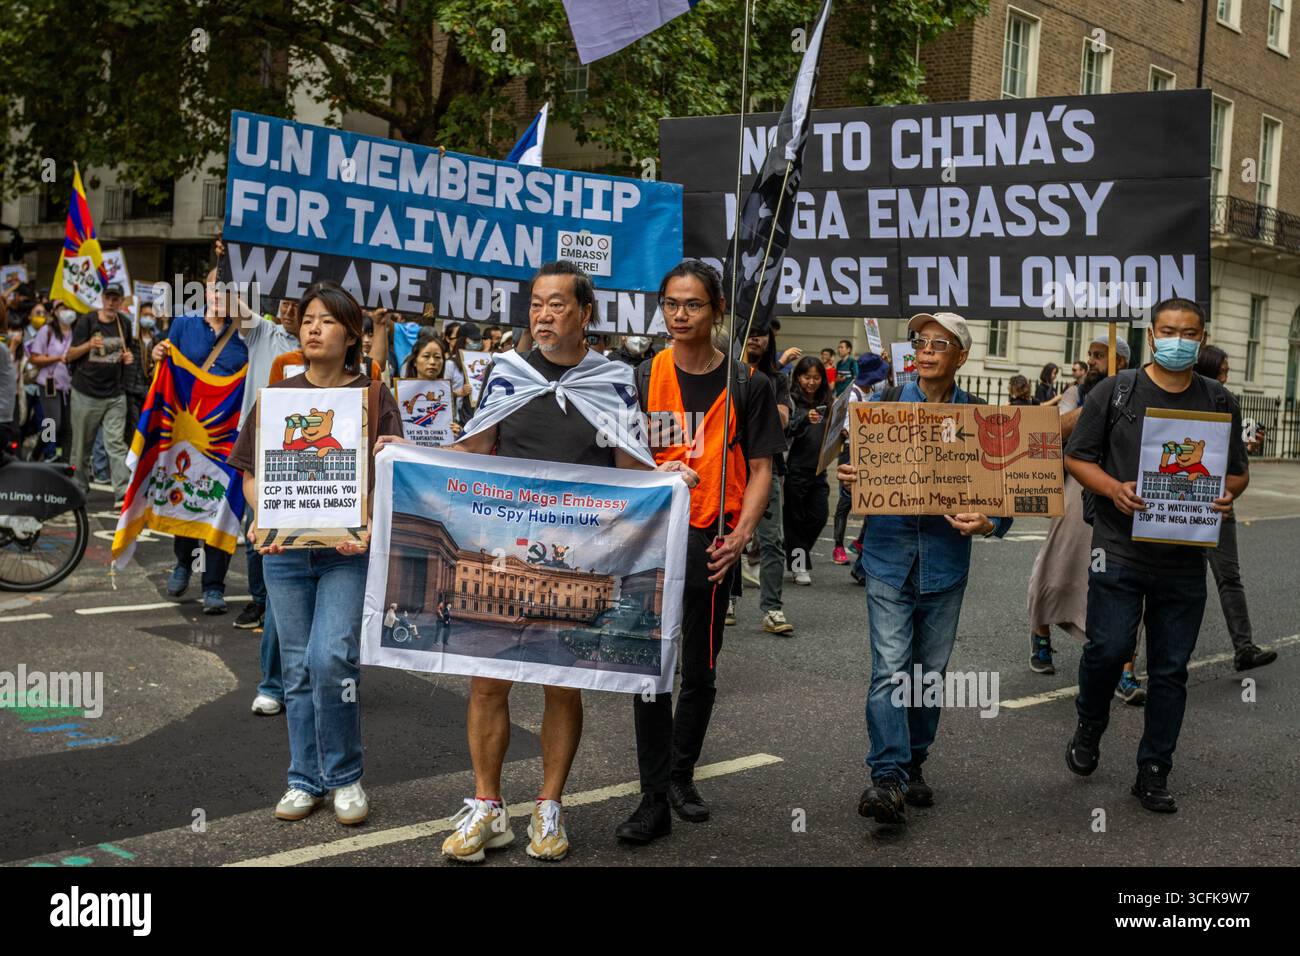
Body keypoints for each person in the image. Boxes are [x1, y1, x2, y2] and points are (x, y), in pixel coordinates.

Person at [386, 260, 692, 863]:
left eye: (555, 304)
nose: (542, 315)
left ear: (585, 313)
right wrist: (409, 451)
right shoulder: (507, 373)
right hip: (502, 551)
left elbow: (631, 468)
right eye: (535, 304)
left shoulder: (614, 381)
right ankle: (487, 807)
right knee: (486, 679)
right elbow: (471, 449)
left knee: (560, 684)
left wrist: (667, 480)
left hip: (577, 559)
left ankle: (549, 807)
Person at [617, 259, 784, 845]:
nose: (680, 315)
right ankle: (652, 794)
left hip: (713, 540)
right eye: (670, 303)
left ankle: (683, 776)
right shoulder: (639, 378)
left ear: (715, 311)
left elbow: (762, 468)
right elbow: (619, 458)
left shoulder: (748, 384)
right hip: (649, 543)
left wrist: (743, 537)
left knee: (700, 668)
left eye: (692, 304)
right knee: (649, 669)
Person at [1063, 298, 1249, 813]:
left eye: (1189, 333)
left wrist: (1228, 493)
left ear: (1201, 337)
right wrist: (1113, 488)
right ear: (1152, 336)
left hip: (1184, 556)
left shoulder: (1219, 401)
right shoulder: (1116, 391)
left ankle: (1154, 768)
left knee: (1170, 669)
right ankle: (1090, 723)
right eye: (1169, 331)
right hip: (1119, 546)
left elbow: (1237, 472)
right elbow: (1077, 456)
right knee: (1107, 649)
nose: (1178, 340)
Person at [229, 281, 403, 826]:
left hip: (347, 553)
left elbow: (392, 471)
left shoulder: (373, 397)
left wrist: (376, 496)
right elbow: (252, 473)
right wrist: (263, 515)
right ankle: (304, 778)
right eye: (307, 319)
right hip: (283, 554)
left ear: (352, 335)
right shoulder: (279, 397)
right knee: (298, 666)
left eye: (327, 320)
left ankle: (346, 776)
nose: (312, 327)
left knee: (333, 658)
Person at [836, 312, 1012, 825]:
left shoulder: (981, 419)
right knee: (890, 671)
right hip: (889, 558)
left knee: (928, 675)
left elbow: (1004, 492)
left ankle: (914, 762)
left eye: (940, 343)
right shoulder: (884, 407)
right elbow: (856, 479)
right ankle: (886, 778)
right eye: (920, 341)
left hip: (946, 564)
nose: (927, 350)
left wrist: (990, 522)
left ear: (962, 355)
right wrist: (850, 478)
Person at [1027, 335, 1146, 705]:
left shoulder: (1138, 392)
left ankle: (1125, 670)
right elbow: (1058, 428)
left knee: (1126, 578)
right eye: (1091, 355)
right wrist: (1099, 401)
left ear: (1122, 360)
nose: (1092, 361)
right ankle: (1041, 636)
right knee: (1059, 563)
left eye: (1101, 355)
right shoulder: (1079, 394)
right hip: (1078, 490)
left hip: (1124, 493)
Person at [150, 269, 249, 615]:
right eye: (214, 288)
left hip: (227, 439)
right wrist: (158, 354)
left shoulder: (246, 334)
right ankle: (183, 563)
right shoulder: (183, 325)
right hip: (188, 435)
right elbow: (166, 373)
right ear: (204, 292)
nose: (219, 294)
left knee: (221, 509)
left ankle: (214, 585)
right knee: (187, 498)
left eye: (227, 289)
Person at [1191, 345, 1276, 671]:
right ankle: (1131, 664)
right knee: (1165, 580)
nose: (1226, 378)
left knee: (1228, 576)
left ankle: (1244, 647)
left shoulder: (1228, 402)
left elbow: (1236, 459)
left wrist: (1246, 446)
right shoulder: (1182, 399)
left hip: (1217, 502)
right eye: (1222, 372)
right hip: (1183, 504)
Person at [737, 322, 794, 635]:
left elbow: (783, 420)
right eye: (751, 332)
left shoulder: (777, 378)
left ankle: (772, 607)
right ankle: (729, 599)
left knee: (773, 540)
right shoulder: (728, 373)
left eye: (762, 333)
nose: (755, 338)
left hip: (766, 467)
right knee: (728, 536)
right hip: (732, 468)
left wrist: (760, 399)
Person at [65, 283, 135, 507]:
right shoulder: (87, 321)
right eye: (109, 297)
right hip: (86, 393)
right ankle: (78, 489)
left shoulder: (124, 323)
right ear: (102, 299)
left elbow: (128, 351)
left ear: (122, 301)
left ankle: (122, 492)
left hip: (114, 394)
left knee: (115, 443)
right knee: (81, 447)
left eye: (116, 298)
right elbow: (69, 356)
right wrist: (88, 345)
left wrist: (128, 359)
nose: (112, 302)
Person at [832, 352, 889, 566]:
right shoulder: (852, 395)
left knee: (872, 499)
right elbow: (844, 428)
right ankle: (838, 545)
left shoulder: (873, 390)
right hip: (850, 451)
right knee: (846, 500)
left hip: (870, 452)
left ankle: (861, 541)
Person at [783, 356, 831, 586]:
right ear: (798, 377)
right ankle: (798, 564)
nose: (811, 382)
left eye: (816, 377)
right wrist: (804, 419)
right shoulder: (791, 401)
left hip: (819, 470)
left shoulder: (826, 402)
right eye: (806, 377)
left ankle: (794, 551)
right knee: (795, 520)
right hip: (794, 469)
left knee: (819, 516)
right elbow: (786, 430)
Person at [28, 305, 77, 462]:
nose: (67, 312)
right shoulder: (47, 331)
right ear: (55, 312)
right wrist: (56, 358)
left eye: (70, 308)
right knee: (52, 424)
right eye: (63, 309)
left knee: (69, 426)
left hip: (69, 385)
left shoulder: (76, 332)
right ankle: (37, 452)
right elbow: (34, 358)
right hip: (49, 384)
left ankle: (65, 461)